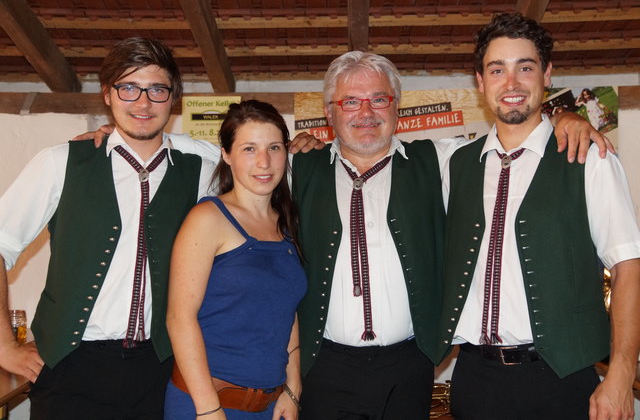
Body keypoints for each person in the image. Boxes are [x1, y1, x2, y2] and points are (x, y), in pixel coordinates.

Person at [290, 50, 611, 419]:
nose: (366, 112)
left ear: (396, 108)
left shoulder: (443, 161)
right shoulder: (298, 169)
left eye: (379, 99)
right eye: (350, 102)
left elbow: (515, 133)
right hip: (325, 367)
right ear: (330, 112)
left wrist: (566, 118)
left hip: (410, 367)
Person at [0, 37, 219, 419]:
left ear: (174, 98)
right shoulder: (61, 162)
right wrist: (4, 346)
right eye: (129, 88)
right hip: (70, 365)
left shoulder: (202, 168)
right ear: (108, 94)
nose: (143, 103)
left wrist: (301, 145)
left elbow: (265, 172)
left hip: (158, 368)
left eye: (157, 89)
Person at [436, 13, 640, 420]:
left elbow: (628, 269)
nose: (510, 84)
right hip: (475, 378)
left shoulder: (589, 158)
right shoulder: (456, 164)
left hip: (562, 378)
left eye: (524, 67)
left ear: (547, 74)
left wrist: (621, 373)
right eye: (497, 69)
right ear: (480, 81)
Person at [163, 100, 306, 420]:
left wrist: (293, 388)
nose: (264, 161)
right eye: (249, 149)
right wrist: (208, 408)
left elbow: (286, 311)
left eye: (274, 147)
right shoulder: (207, 218)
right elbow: (179, 318)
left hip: (271, 406)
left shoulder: (285, 222)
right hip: (207, 405)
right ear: (226, 154)